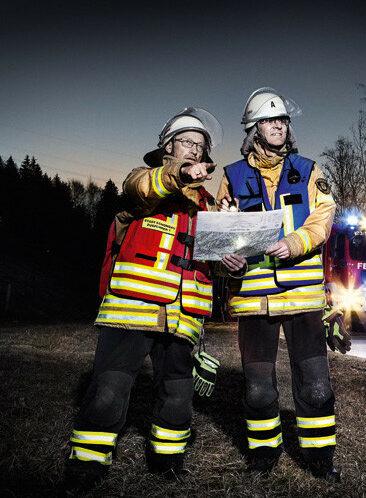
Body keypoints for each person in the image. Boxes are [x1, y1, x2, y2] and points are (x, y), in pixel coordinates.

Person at [63, 108, 242, 492]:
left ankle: (168, 460)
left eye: (200, 144)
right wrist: (178, 176)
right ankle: (87, 465)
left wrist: (232, 258)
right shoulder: (143, 182)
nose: (194, 150)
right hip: (133, 308)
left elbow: (218, 269)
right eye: (186, 142)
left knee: (177, 394)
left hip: (185, 317)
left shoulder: (210, 206)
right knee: (110, 388)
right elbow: (142, 189)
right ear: (167, 147)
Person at [217, 87, 339, 481]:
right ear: (254, 129)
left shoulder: (308, 170)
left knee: (316, 386)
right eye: (270, 120)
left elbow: (323, 217)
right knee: (257, 389)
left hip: (302, 297)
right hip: (253, 299)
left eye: (283, 120)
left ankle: (320, 460)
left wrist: (295, 242)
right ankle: (262, 456)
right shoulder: (231, 177)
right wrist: (229, 262)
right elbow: (223, 232)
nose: (279, 126)